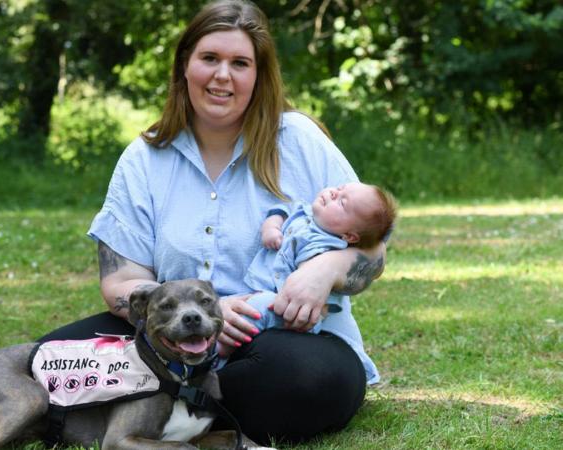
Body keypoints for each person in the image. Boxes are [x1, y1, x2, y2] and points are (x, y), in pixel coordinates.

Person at [39, 0, 387, 444]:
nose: (223, 75)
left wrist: (326, 269)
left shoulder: (300, 140)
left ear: (259, 75)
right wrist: (207, 313)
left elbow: (373, 249)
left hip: (280, 341)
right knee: (49, 361)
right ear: (185, 65)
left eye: (240, 63)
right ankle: (183, 412)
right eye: (210, 58)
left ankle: (158, 411)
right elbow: (121, 282)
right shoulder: (144, 158)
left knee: (305, 379)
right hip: (172, 340)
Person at [215, 182, 397, 362]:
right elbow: (279, 211)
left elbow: (310, 283)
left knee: (256, 308)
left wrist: (319, 269)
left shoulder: (326, 244)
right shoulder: (302, 210)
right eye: (339, 189)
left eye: (342, 203)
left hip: (290, 311)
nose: (334, 194)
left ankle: (221, 351)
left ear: (349, 236)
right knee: (242, 305)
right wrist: (271, 228)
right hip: (256, 293)